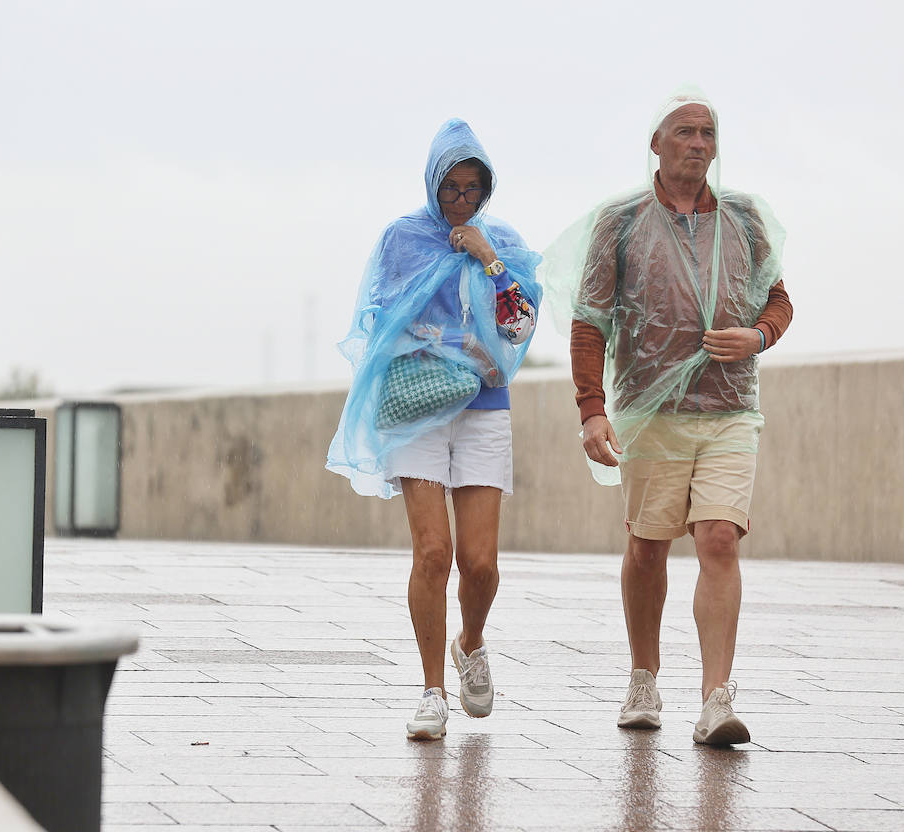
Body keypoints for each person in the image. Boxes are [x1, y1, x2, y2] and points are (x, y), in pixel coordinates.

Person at [541, 88, 792, 745]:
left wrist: (756, 338)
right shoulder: (621, 222)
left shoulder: (743, 219)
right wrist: (591, 411)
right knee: (648, 546)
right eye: (685, 132)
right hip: (652, 411)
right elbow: (590, 322)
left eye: (708, 133)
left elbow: (780, 301)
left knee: (717, 537)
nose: (699, 144)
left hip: (731, 408)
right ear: (656, 143)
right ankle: (644, 675)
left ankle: (716, 697)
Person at [327, 119, 541, 741]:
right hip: (419, 403)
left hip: (483, 405)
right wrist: (441, 340)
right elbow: (380, 318)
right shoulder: (403, 238)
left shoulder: (500, 240)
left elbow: (521, 325)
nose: (462, 201)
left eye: (474, 189)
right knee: (433, 551)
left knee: (482, 563)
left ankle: (470, 642)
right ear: (432, 183)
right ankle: (430, 692)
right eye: (452, 188)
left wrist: (488, 258)